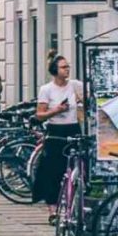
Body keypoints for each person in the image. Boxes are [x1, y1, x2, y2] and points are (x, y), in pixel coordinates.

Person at [33, 54, 83, 219]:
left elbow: (89, 100)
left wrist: (84, 101)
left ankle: (73, 206)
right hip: (55, 131)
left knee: (77, 168)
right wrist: (56, 110)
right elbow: (40, 115)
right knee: (53, 171)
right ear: (55, 70)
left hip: (73, 129)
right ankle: (53, 210)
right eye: (63, 67)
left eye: (68, 66)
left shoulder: (76, 85)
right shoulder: (47, 89)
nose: (67, 69)